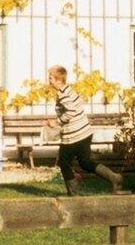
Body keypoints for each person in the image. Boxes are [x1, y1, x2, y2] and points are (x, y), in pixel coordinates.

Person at [47, 64, 124, 196]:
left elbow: (71, 111)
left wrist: (56, 122)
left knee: (63, 162)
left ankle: (74, 194)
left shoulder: (63, 95)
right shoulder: (69, 90)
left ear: (59, 80)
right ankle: (114, 178)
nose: (49, 82)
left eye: (51, 79)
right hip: (85, 133)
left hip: (74, 136)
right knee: (85, 162)